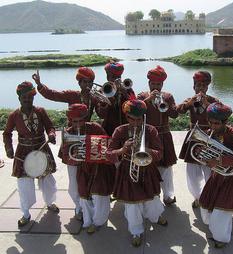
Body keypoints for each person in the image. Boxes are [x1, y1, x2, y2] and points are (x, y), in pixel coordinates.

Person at [32, 67, 98, 220]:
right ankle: (78, 206)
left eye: (90, 82)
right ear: (79, 82)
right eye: (84, 82)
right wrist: (40, 85)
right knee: (73, 175)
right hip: (71, 137)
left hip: (87, 136)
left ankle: (88, 202)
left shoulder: (94, 97)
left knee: (89, 173)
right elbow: (53, 95)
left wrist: (103, 103)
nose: (87, 85)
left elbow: (101, 113)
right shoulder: (72, 95)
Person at [106, 99, 167, 247]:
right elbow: (108, 154)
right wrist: (122, 150)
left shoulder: (151, 130)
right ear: (127, 117)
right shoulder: (120, 130)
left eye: (139, 119)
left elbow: (159, 154)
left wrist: (146, 150)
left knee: (152, 199)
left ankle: (155, 216)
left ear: (143, 117)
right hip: (128, 170)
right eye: (131, 119)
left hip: (148, 169)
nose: (135, 123)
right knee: (132, 204)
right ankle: (136, 231)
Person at [3, 81, 59, 227]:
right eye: (24, 98)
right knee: (24, 184)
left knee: (47, 180)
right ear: (19, 99)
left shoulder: (41, 111)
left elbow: (50, 127)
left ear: (33, 98)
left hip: (42, 149)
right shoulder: (13, 115)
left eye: (30, 97)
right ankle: (26, 213)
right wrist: (9, 149)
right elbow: (7, 133)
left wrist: (52, 135)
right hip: (23, 153)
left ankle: (50, 203)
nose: (27, 100)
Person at [199, 102, 233, 248]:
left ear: (225, 122)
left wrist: (219, 160)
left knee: (221, 212)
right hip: (218, 175)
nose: (213, 126)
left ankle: (222, 238)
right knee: (205, 207)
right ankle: (218, 228)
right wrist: (204, 154)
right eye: (211, 122)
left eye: (217, 123)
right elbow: (206, 153)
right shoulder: (210, 133)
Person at [63, 104, 115, 234]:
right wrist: (74, 153)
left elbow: (107, 145)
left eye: (81, 120)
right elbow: (65, 155)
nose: (78, 124)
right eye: (75, 121)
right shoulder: (68, 132)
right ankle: (86, 217)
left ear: (85, 118)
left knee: (99, 194)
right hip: (79, 166)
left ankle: (98, 221)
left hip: (97, 166)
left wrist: (92, 146)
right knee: (81, 193)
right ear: (70, 121)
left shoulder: (95, 127)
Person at [177, 71, 218, 208]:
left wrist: (207, 104)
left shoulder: (213, 101)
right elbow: (178, 110)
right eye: (198, 85)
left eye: (203, 86)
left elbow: (223, 113)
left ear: (207, 87)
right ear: (194, 87)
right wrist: (190, 103)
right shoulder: (190, 99)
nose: (200, 88)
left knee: (209, 170)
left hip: (209, 138)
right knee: (192, 172)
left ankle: (208, 196)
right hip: (193, 139)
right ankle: (197, 196)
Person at [137, 65, 178, 205]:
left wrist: (165, 102)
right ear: (149, 83)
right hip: (148, 136)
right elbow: (135, 110)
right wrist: (148, 100)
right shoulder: (142, 96)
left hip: (164, 135)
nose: (156, 86)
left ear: (162, 84)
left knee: (166, 168)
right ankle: (151, 194)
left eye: (158, 84)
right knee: (148, 166)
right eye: (153, 84)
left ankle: (168, 195)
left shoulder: (168, 96)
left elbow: (175, 115)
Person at [96, 61, 135, 136]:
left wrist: (125, 94)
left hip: (126, 128)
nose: (116, 80)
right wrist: (111, 96)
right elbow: (101, 114)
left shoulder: (128, 89)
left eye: (119, 77)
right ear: (108, 77)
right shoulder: (102, 91)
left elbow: (135, 109)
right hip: (109, 129)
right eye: (113, 77)